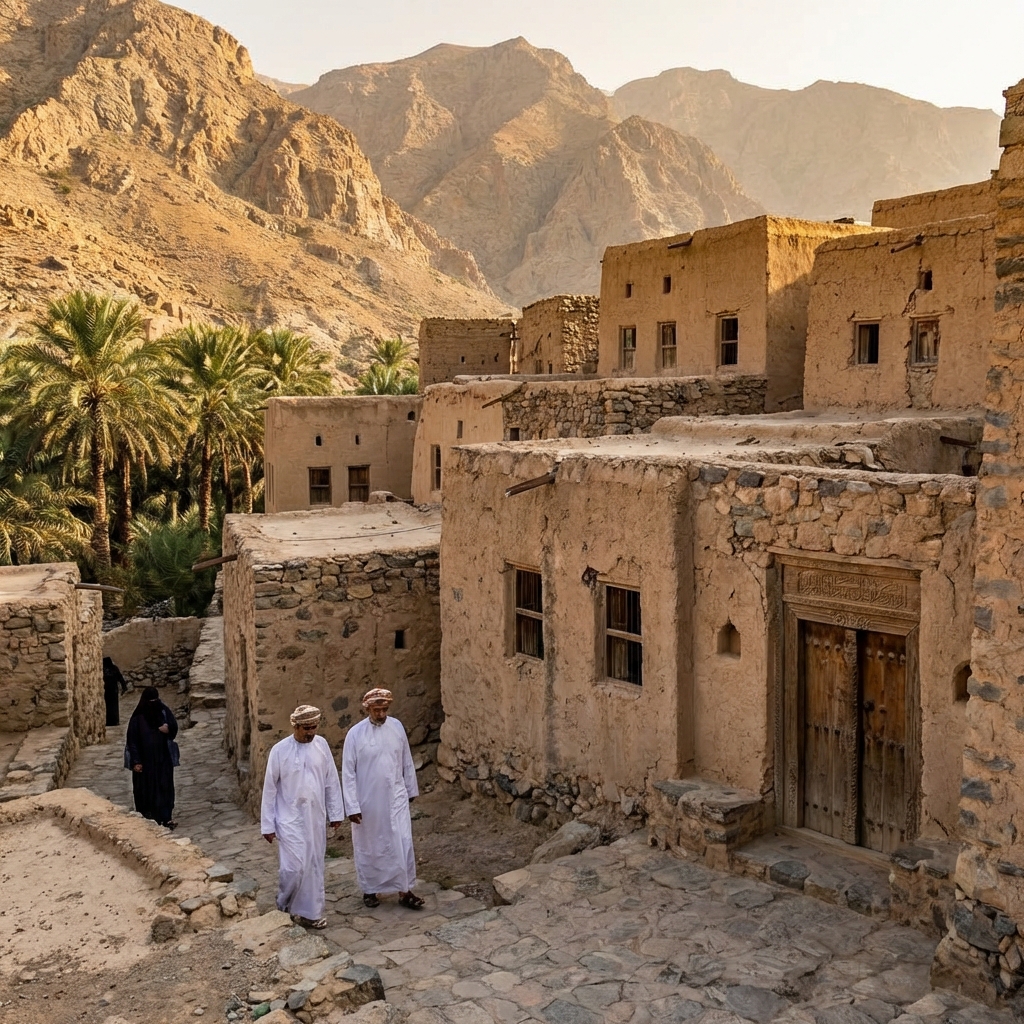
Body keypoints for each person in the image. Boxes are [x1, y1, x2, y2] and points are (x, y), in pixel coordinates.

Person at [260, 705, 344, 929]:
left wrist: (336, 813)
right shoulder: (279, 751)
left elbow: (331, 781)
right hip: (288, 819)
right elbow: (270, 789)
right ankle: (284, 902)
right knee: (294, 867)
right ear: (295, 726)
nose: (310, 732)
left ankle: (311, 913)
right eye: (306, 728)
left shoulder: (322, 745)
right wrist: (267, 825)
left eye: (314, 727)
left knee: (314, 865)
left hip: (315, 818)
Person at [342, 688, 423, 910]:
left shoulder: (396, 727)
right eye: (376, 710)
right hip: (368, 802)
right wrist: (352, 806)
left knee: (402, 841)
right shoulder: (355, 734)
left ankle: (405, 890)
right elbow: (348, 773)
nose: (380, 714)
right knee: (371, 845)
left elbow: (406, 759)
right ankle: (370, 890)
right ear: (367, 708)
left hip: (396, 797)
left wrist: (410, 789)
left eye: (384, 709)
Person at [125, 686, 178, 829]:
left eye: (156, 700)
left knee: (164, 788)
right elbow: (132, 741)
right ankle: (148, 819)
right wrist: (136, 761)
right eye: (151, 700)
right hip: (145, 763)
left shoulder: (163, 711)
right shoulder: (137, 718)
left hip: (162, 759)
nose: (154, 703)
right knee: (145, 790)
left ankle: (166, 817)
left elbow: (173, 727)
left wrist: (168, 729)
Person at [102, 656, 128, 727]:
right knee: (113, 706)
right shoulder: (114, 668)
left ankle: (107, 721)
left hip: (106, 691)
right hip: (113, 691)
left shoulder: (102, 669)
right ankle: (114, 721)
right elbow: (120, 678)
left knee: (107, 706)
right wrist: (124, 687)